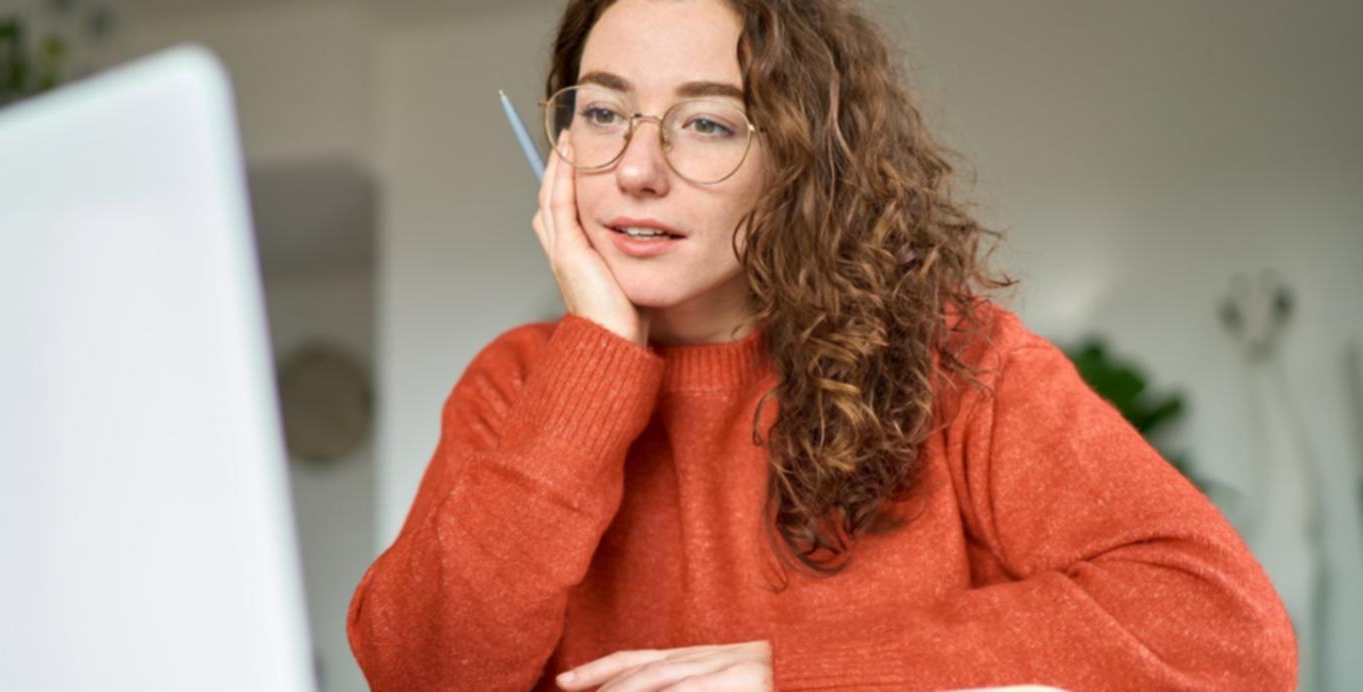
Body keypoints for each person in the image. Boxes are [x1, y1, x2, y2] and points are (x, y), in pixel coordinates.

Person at [347, 0, 1297, 689]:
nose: (635, 170)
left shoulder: (954, 360)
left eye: (708, 122)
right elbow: (425, 672)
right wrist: (596, 352)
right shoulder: (519, 384)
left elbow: (1226, 633)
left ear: (800, 161)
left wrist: (791, 675)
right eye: (601, 112)